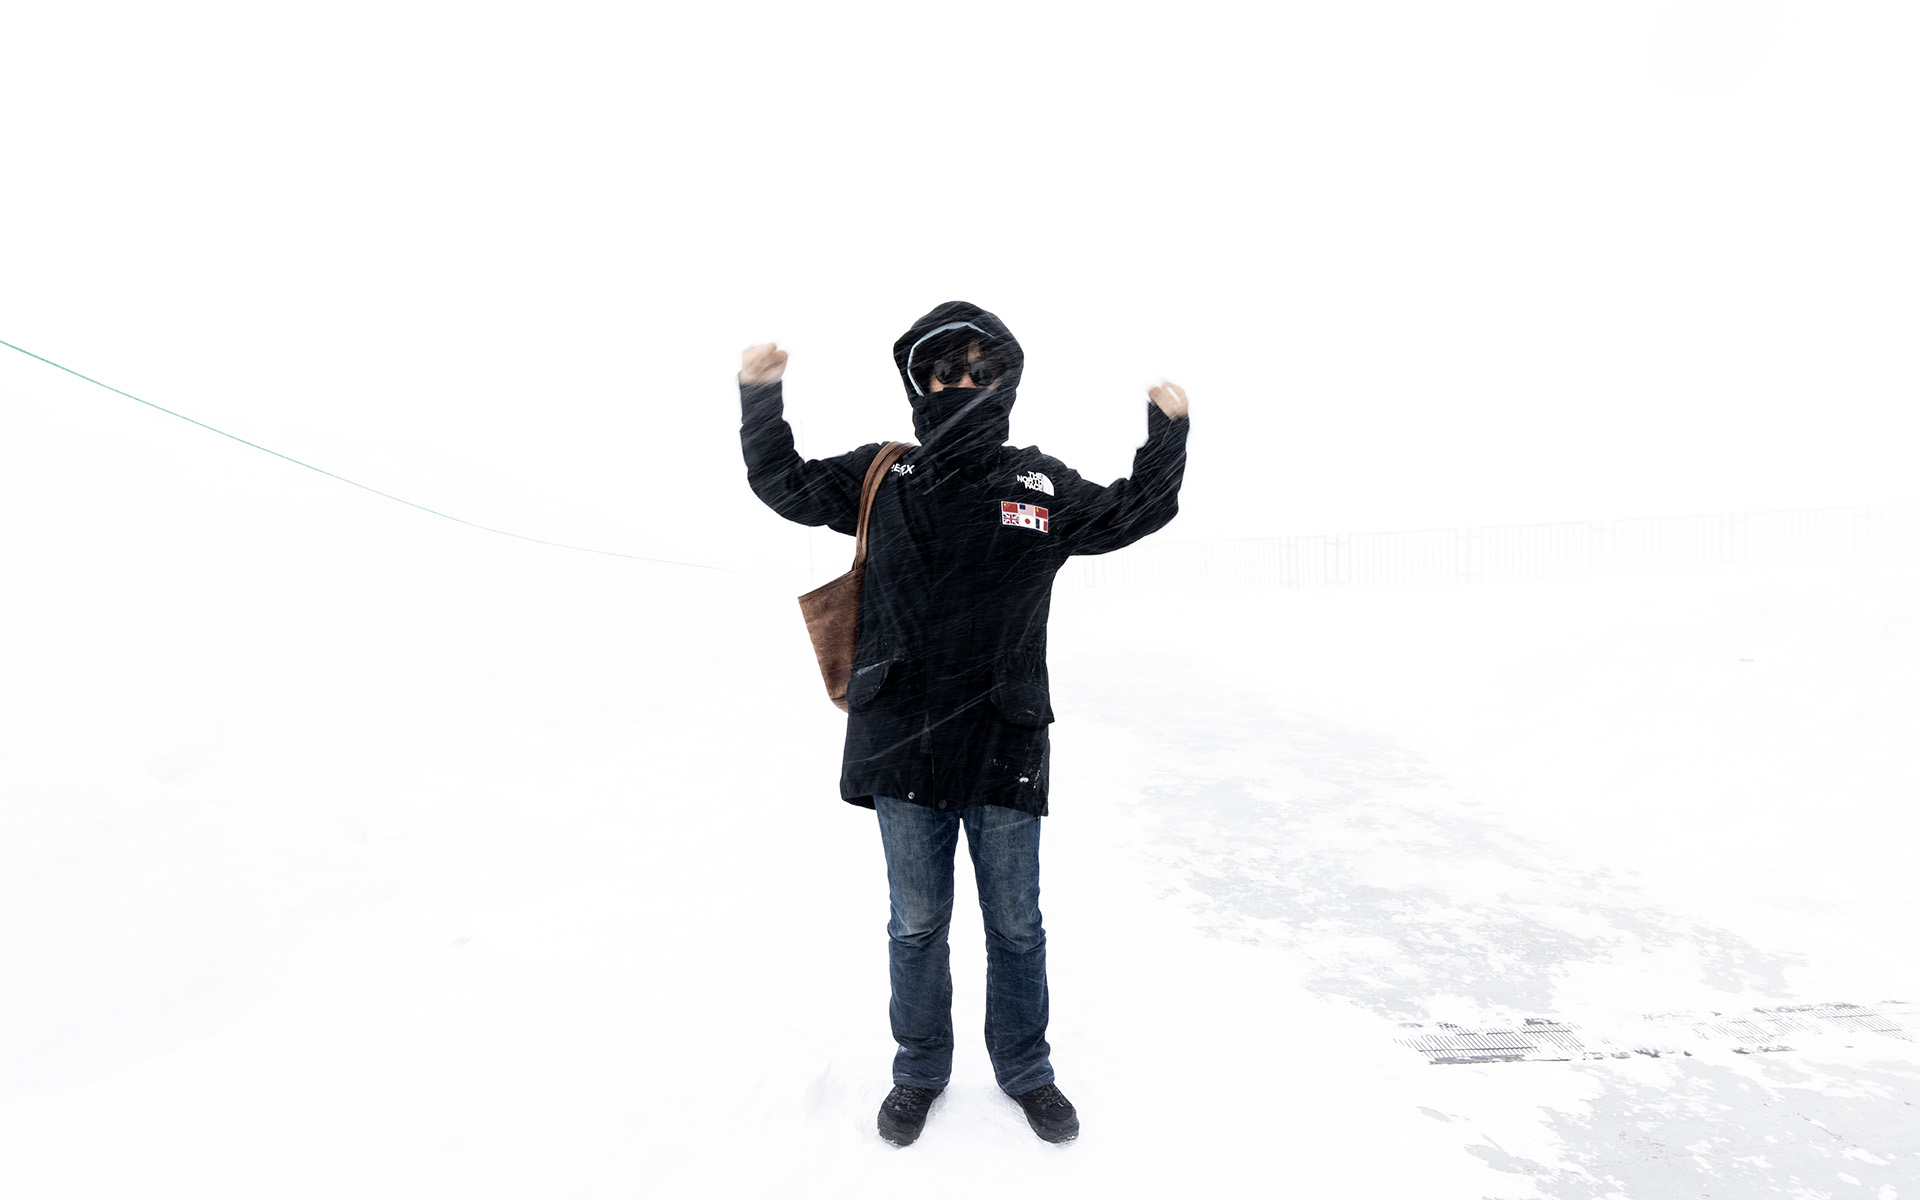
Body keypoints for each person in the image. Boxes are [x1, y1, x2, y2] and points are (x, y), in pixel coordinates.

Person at [737, 301, 1189, 1146]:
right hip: (901, 738)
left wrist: (1167, 433)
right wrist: (760, 395)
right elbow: (784, 483)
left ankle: (1026, 1071)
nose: (965, 383)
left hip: (1003, 739)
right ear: (921, 382)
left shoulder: (1038, 484)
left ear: (1007, 379)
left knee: (1017, 926)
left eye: (982, 369)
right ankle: (919, 1072)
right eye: (947, 370)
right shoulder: (883, 473)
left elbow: (1135, 511)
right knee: (917, 925)